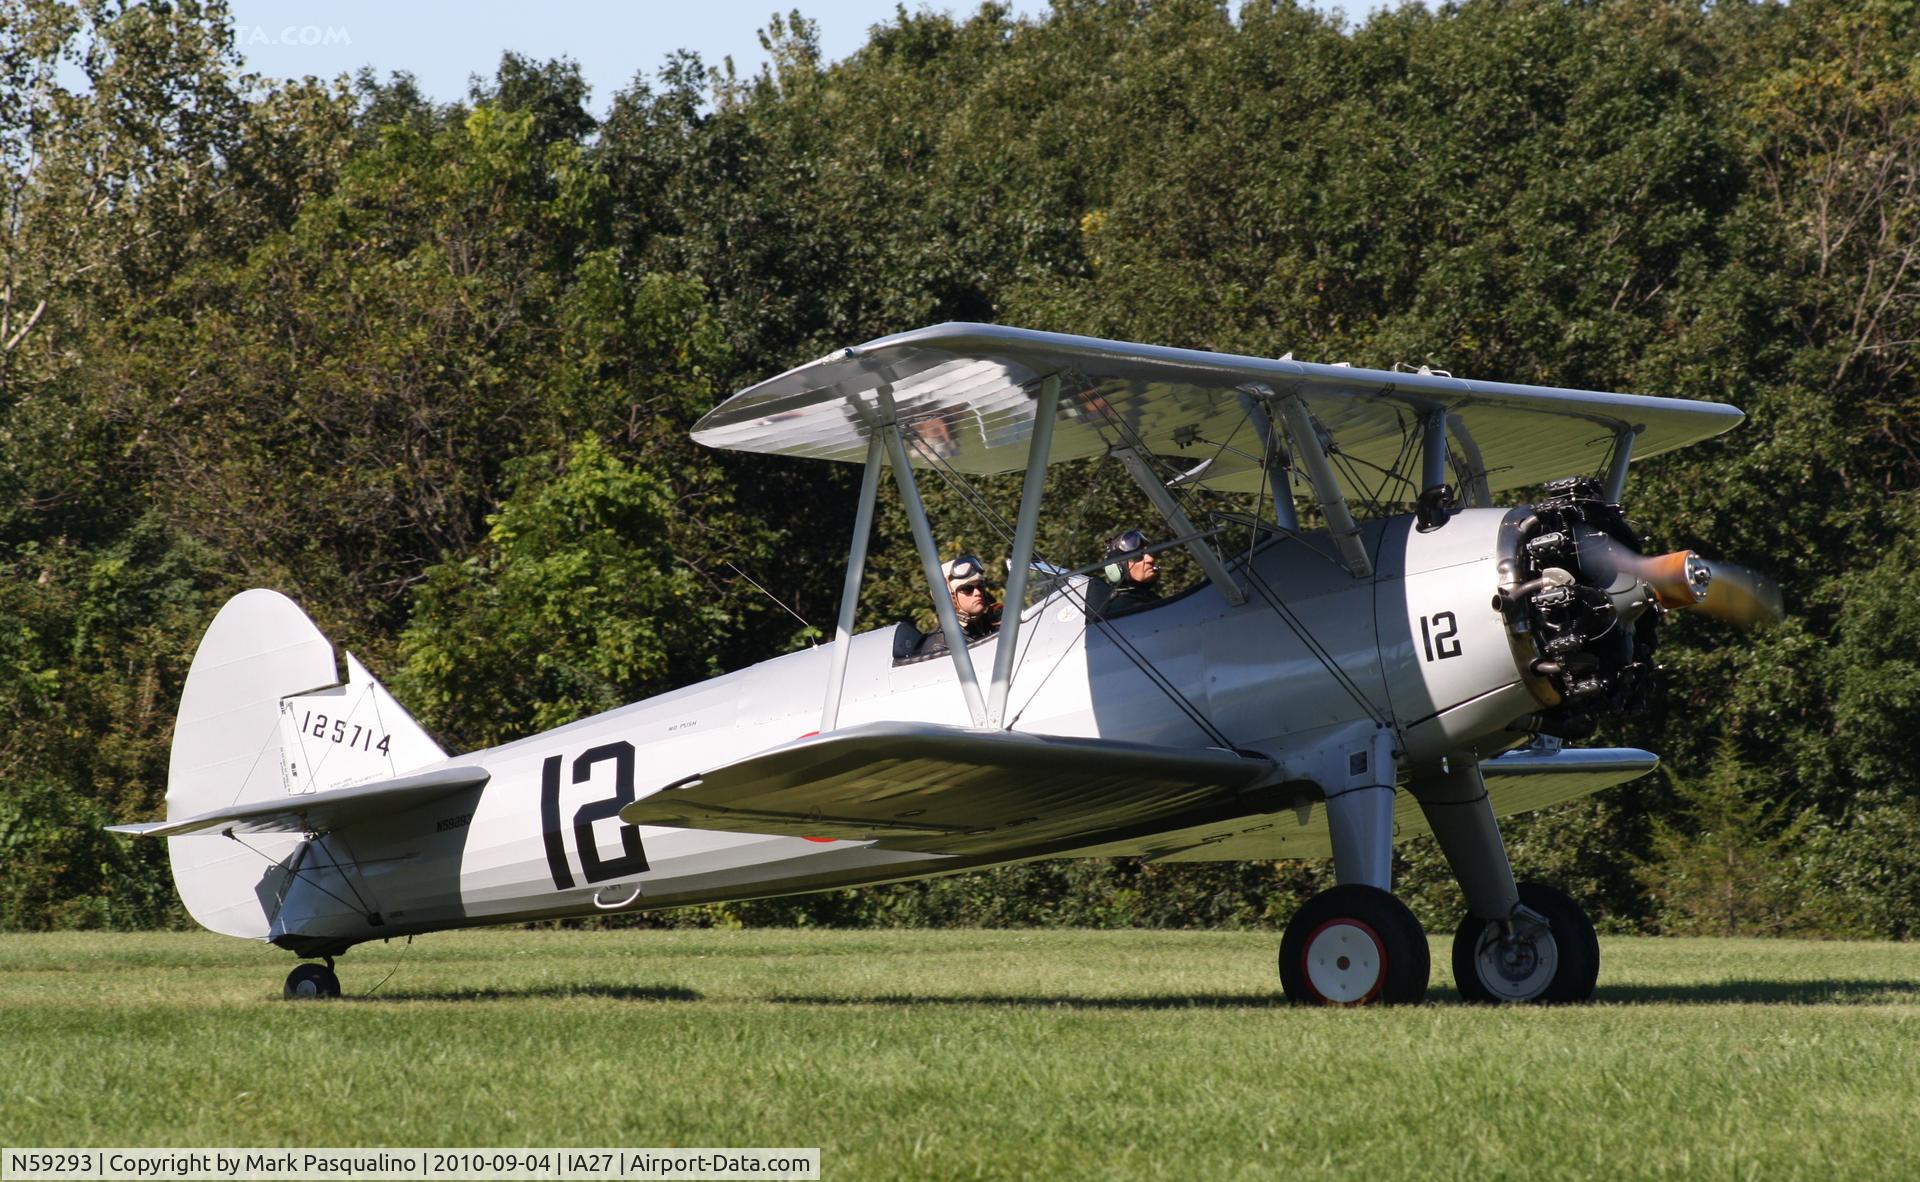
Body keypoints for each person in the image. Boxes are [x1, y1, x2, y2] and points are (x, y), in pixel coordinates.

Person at [892, 553, 1002, 660]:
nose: (977, 592)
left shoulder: (990, 622)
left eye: (980, 586)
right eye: (967, 589)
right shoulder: (939, 648)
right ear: (947, 596)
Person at [1095, 528, 1162, 618]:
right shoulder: (1124, 609)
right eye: (1137, 556)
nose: (1150, 559)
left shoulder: (1149, 598)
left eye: (1149, 553)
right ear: (1118, 568)